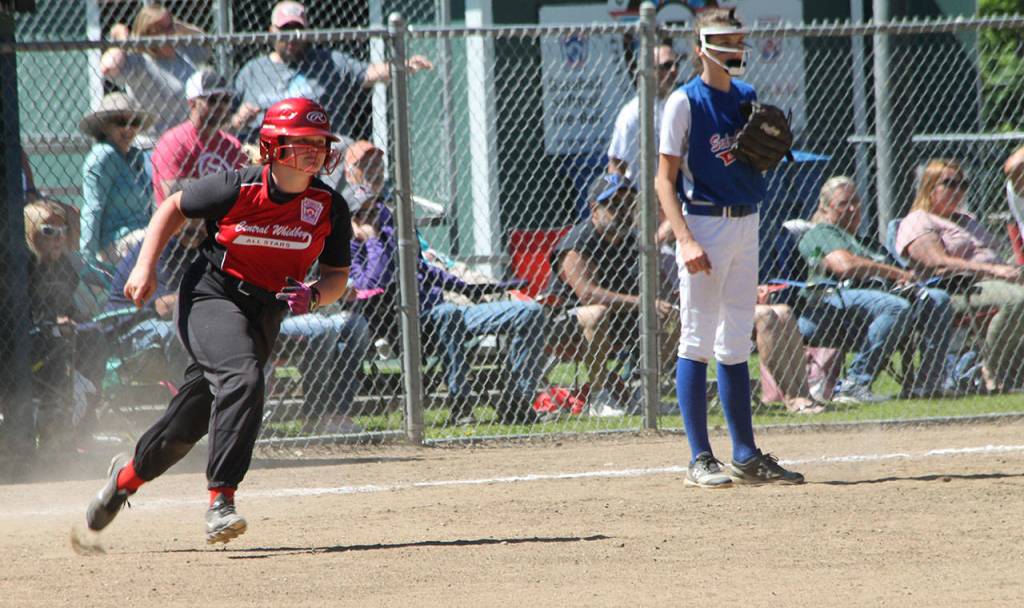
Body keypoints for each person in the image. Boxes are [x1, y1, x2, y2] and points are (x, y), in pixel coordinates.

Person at [84, 97, 352, 545]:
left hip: (265, 312)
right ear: (273, 146)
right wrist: (144, 267)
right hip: (212, 295)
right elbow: (172, 208)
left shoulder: (330, 206)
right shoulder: (238, 186)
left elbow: (337, 276)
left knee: (186, 427)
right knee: (244, 379)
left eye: (320, 144)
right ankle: (221, 501)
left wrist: (317, 295)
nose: (315, 152)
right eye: (302, 143)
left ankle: (125, 478)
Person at [655, 8, 804, 488]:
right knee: (696, 338)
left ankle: (744, 453)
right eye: (725, 39)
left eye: (739, 39)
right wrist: (684, 238)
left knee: (737, 336)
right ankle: (700, 457)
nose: (736, 48)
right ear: (700, 48)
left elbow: (751, 161)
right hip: (703, 221)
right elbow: (664, 180)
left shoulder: (746, 96)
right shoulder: (685, 102)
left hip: (747, 221)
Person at [343, 142, 545, 425]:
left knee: (529, 312)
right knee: (447, 314)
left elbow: (422, 270)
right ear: (349, 173)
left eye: (379, 165)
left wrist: (471, 289)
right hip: (400, 321)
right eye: (366, 166)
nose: (375, 171)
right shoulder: (343, 230)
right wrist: (373, 239)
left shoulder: (393, 217)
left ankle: (517, 402)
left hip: (440, 310)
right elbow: (373, 283)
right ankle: (461, 407)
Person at [797, 176, 954, 402]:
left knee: (937, 298)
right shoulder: (821, 233)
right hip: (831, 304)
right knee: (895, 307)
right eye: (843, 204)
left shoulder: (868, 242)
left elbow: (897, 273)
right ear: (825, 208)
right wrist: (895, 274)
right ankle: (854, 383)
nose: (852, 209)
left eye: (856, 202)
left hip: (878, 302)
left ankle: (928, 383)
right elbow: (845, 266)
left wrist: (903, 282)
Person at [548, 174, 678, 416]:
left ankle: (645, 393)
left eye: (629, 203)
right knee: (597, 313)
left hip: (619, 316)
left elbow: (658, 284)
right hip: (566, 319)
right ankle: (598, 399)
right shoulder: (579, 240)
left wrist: (665, 302)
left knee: (671, 316)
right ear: (594, 209)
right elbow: (587, 294)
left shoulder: (633, 240)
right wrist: (644, 302)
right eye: (614, 204)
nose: (623, 210)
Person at [895, 158, 1024, 391]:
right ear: (929, 187)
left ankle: (1015, 375)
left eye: (963, 185)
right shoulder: (918, 220)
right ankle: (992, 370)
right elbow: (939, 264)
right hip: (957, 289)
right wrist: (993, 270)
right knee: (1018, 300)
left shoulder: (967, 220)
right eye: (949, 184)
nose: (958, 190)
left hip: (995, 281)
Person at [231, 1, 433, 139]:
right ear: (271, 31)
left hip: (322, 155)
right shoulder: (252, 71)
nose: (292, 36)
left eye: (297, 29)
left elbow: (369, 73)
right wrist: (238, 120)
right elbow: (221, 125)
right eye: (285, 29)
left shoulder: (329, 62)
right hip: (270, 157)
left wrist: (403, 65)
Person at [100, 3, 210, 142]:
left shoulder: (182, 52)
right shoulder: (140, 62)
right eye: (161, 30)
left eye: (170, 27)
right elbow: (108, 67)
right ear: (148, 34)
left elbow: (206, 42)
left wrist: (178, 25)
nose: (169, 34)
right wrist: (122, 37)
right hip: (154, 144)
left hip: (190, 141)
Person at [79, 93, 156, 266]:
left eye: (134, 123)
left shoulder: (135, 157)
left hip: (143, 236)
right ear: (105, 127)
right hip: (116, 241)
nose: (129, 129)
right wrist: (88, 258)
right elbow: (93, 207)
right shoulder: (103, 156)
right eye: (121, 122)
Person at [150, 69, 248, 204]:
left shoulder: (232, 144)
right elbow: (176, 199)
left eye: (225, 99)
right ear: (192, 103)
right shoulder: (174, 141)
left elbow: (246, 192)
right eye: (212, 100)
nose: (221, 105)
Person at [607, 42, 679, 180]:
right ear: (650, 70)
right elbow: (616, 165)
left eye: (677, 64)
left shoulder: (678, 105)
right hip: (641, 196)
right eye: (667, 66)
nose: (674, 70)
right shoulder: (633, 113)